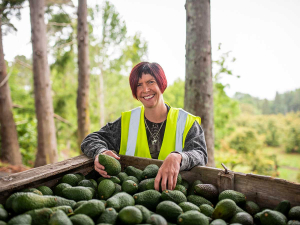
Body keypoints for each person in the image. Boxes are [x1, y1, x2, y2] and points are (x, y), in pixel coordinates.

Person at [81, 62, 208, 191]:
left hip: (174, 197)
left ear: (161, 83)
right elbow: (91, 139)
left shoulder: (186, 121)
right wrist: (100, 152)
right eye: (139, 85)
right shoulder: (127, 121)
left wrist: (178, 157)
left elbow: (200, 154)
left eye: (151, 82)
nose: (145, 90)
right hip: (131, 198)